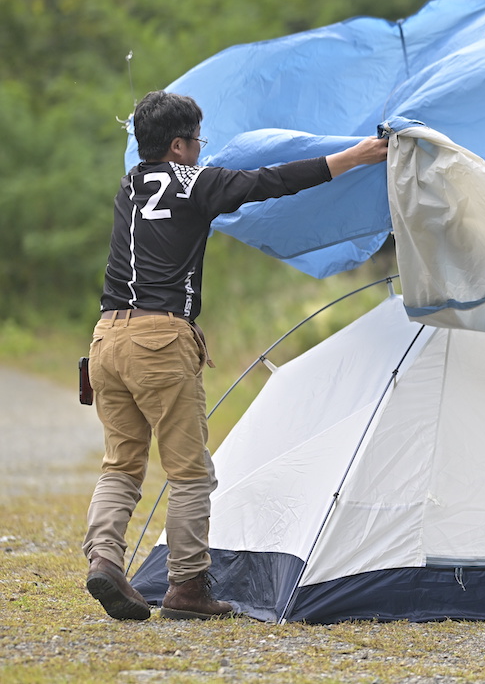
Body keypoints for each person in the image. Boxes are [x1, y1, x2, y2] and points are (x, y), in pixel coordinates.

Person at [82, 90, 388, 621]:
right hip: (161, 339)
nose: (203, 150)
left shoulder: (130, 186)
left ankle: (104, 560)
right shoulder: (194, 181)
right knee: (190, 474)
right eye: (198, 141)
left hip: (106, 340)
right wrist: (352, 157)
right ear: (178, 146)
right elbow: (273, 181)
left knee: (121, 465)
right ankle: (187, 588)